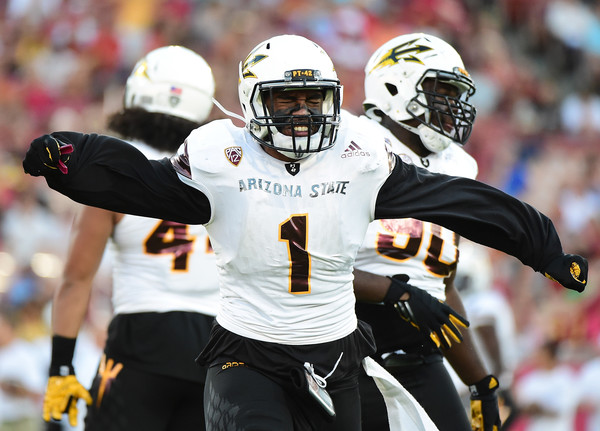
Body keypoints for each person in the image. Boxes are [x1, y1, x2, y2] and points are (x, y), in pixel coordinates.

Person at [22, 34, 587, 431]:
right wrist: (71, 157)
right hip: (246, 351)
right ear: (250, 102)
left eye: (312, 99)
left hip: (337, 354)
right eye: (284, 99)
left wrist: (543, 247)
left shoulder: (358, 156)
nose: (300, 113)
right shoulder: (224, 156)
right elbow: (139, 181)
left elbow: (461, 202)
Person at [41, 45, 220, 431]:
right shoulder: (227, 167)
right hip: (219, 346)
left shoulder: (116, 169)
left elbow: (76, 279)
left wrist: (61, 366)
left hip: (141, 340)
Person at [351, 33, 500, 431]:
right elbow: (308, 266)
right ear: (394, 86)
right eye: (441, 91)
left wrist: (480, 383)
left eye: (456, 94)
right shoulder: (350, 150)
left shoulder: (456, 167)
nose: (451, 107)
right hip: (343, 352)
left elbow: (441, 287)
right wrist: (394, 293)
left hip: (419, 356)